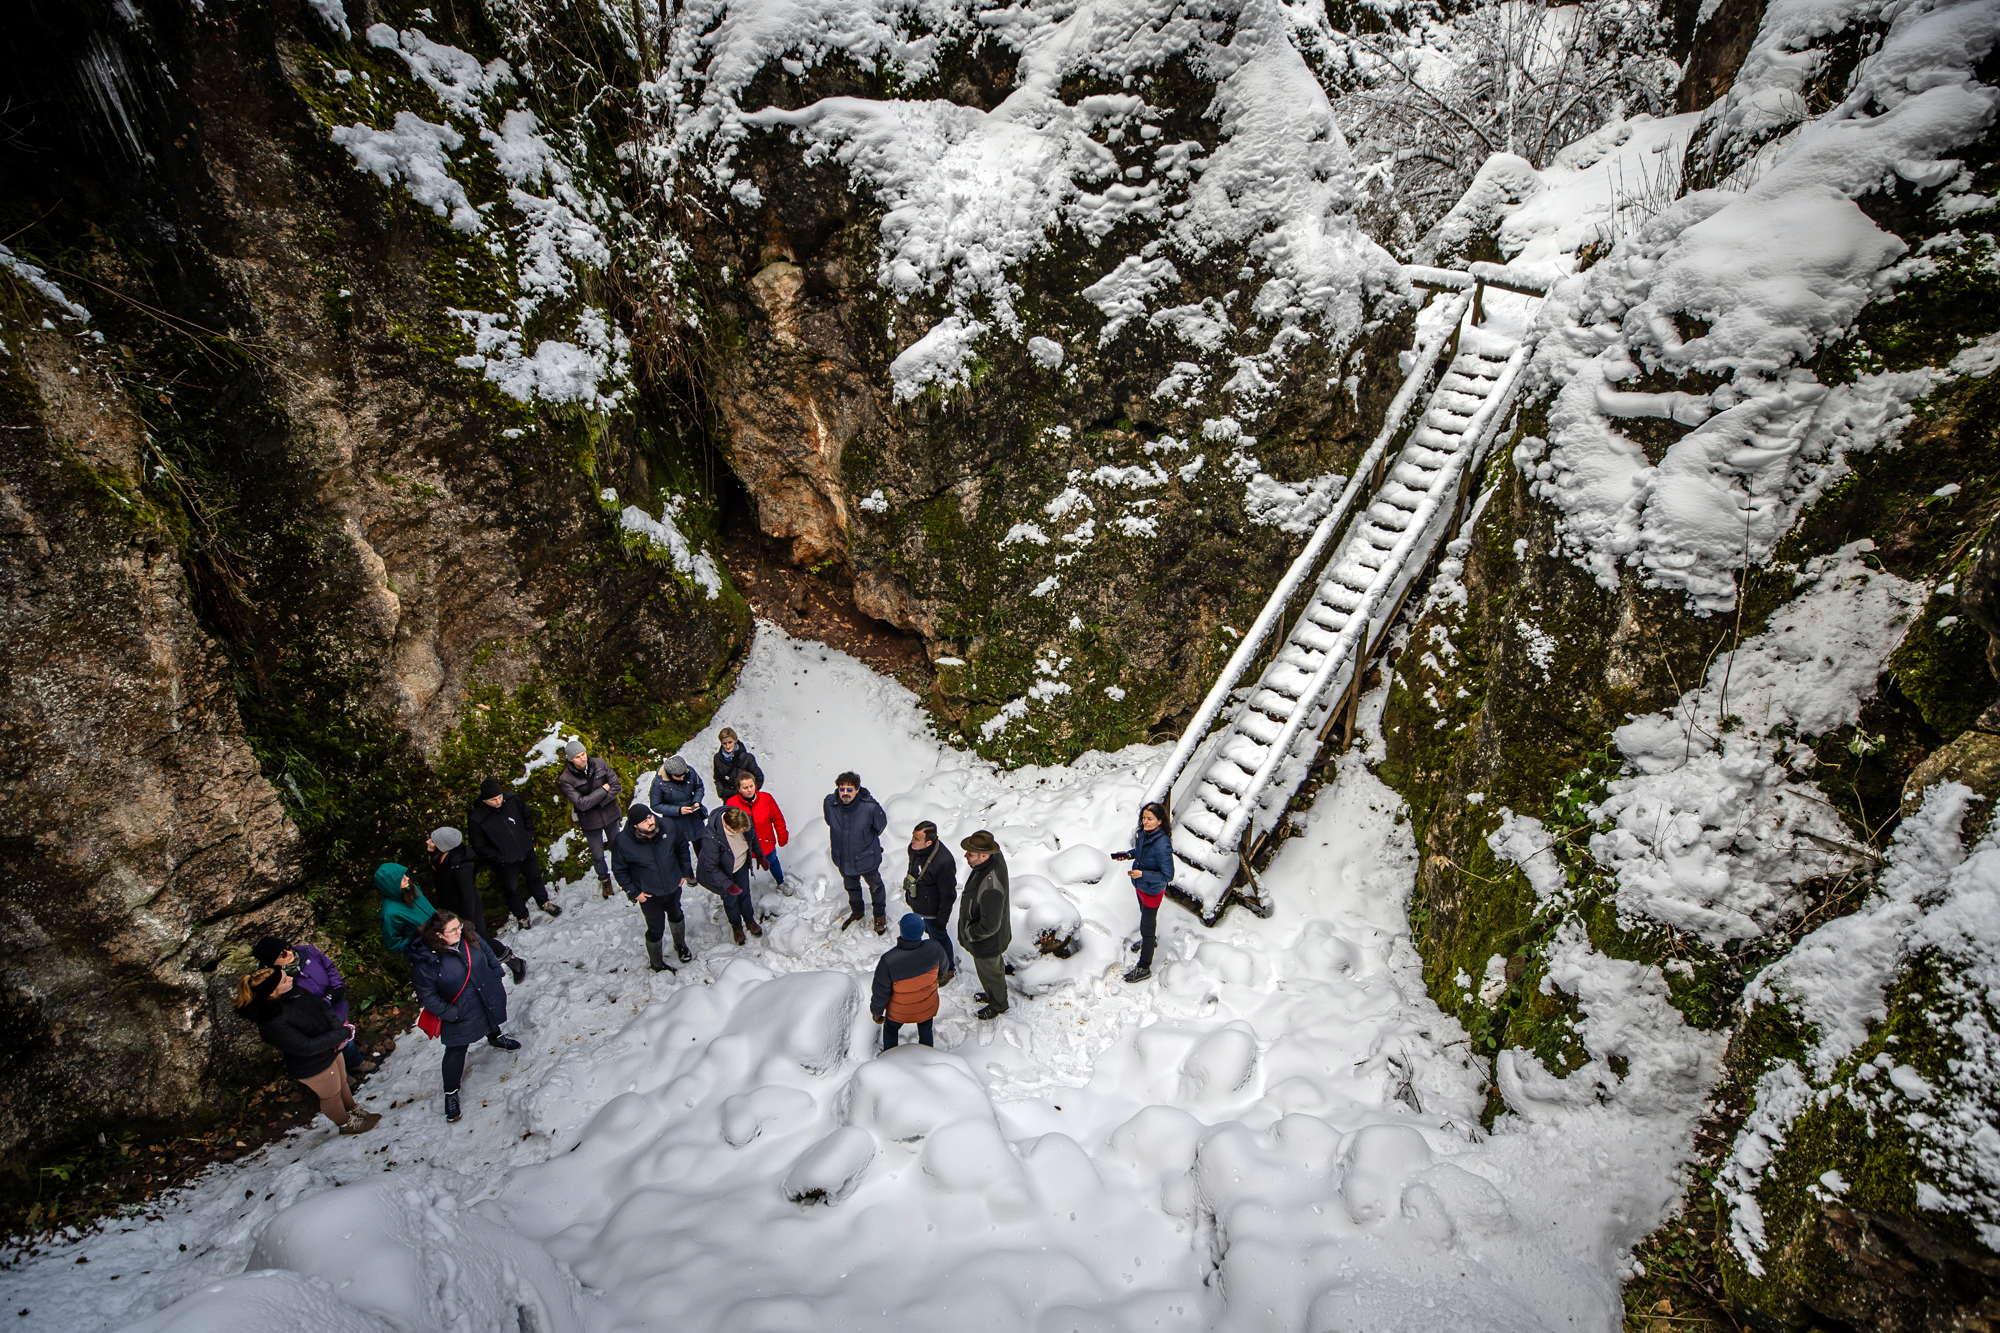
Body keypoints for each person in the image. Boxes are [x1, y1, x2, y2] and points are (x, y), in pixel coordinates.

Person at [234, 966, 377, 1135]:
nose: (291, 979)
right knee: (331, 1095)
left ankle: (353, 1109)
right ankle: (346, 1124)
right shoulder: (271, 1023)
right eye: (284, 980)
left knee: (342, 1081)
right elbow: (306, 1047)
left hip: (331, 1047)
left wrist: (338, 1030)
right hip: (313, 1065)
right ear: (272, 992)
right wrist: (341, 1035)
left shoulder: (294, 992)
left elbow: (322, 1006)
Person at [406, 911, 520, 1123]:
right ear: (439, 935)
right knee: (456, 1050)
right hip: (459, 1009)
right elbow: (427, 996)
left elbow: (486, 951)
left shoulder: (468, 936)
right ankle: (451, 1093)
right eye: (453, 929)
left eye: (459, 926)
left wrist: (497, 972)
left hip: (485, 991)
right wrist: (451, 1013)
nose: (460, 931)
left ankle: (495, 1037)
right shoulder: (426, 962)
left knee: (490, 1015)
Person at [252, 936, 366, 1075]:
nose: (289, 953)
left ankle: (357, 1063)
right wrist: (325, 1001)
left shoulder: (307, 951)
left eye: (287, 947)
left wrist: (336, 988)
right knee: (330, 1048)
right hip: (314, 1021)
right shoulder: (274, 980)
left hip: (336, 1008)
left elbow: (328, 967)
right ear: (271, 961)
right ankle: (343, 1076)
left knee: (346, 1039)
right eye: (282, 954)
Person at [426, 827, 526, 983]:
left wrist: (467, 920)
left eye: (432, 840)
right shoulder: (441, 859)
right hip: (453, 910)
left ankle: (514, 961)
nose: (428, 842)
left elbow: (468, 896)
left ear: (443, 846)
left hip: (467, 910)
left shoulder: (460, 866)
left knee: (480, 938)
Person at [469, 778, 560, 927]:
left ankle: (544, 902)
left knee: (535, 877)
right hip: (505, 862)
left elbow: (527, 816)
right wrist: (500, 857)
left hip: (526, 851)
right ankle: (522, 916)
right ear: (484, 800)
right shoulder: (478, 819)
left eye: (499, 797)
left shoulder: (512, 800)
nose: (498, 802)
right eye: (493, 800)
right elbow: (479, 846)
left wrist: (529, 835)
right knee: (512, 889)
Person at [613, 803, 686, 971]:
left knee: (677, 915)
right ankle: (657, 963)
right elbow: (619, 869)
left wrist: (684, 872)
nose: (650, 822)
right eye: (644, 821)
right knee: (655, 928)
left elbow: (682, 847)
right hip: (649, 895)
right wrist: (634, 892)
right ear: (635, 825)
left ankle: (680, 945)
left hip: (673, 886)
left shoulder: (668, 826)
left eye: (650, 817)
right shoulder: (623, 842)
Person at [1110, 801, 1175, 983]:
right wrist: (1129, 855)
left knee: (1146, 926)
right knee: (1145, 916)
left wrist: (1142, 873)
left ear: (1160, 821)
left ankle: (1144, 967)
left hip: (1152, 890)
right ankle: (1150, 940)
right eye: (1144, 818)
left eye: (1150, 819)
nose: (1145, 822)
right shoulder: (1144, 834)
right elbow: (1141, 852)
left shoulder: (1162, 844)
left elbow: (1168, 875)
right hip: (1140, 886)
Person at [557, 740, 623, 898]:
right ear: (570, 759)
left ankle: (623, 873)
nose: (582, 758)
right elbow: (580, 803)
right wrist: (602, 790)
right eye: (578, 756)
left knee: (618, 847)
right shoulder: (566, 778)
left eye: (583, 754)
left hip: (610, 814)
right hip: (590, 821)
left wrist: (596, 802)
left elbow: (616, 786)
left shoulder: (600, 763)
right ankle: (604, 879)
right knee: (598, 854)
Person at [824, 772, 889, 934]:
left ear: (857, 789)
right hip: (843, 857)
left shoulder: (870, 807)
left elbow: (880, 826)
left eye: (849, 789)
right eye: (842, 789)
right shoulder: (830, 803)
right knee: (851, 886)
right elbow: (829, 821)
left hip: (866, 858)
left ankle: (879, 915)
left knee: (875, 886)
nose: (845, 793)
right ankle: (857, 911)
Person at [957, 830, 1012, 1020]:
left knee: (991, 973)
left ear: (984, 855)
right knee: (994, 970)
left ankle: (998, 1004)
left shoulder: (991, 887)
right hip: (990, 939)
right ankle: (994, 994)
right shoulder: (994, 858)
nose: (966, 856)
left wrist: (970, 933)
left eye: (970, 853)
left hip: (986, 942)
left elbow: (989, 926)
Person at [871, 914, 948, 1049]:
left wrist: (876, 1012)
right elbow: (943, 971)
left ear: (902, 931)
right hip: (926, 1006)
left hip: (898, 1012)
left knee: (890, 1029)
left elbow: (880, 993)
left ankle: (889, 1056)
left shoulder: (888, 961)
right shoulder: (935, 949)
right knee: (925, 1027)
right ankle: (927, 1052)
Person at [695, 805, 762, 946]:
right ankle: (736, 925)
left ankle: (749, 918)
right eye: (739, 831)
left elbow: (752, 836)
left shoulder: (743, 819)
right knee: (731, 900)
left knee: (745, 893)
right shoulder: (711, 838)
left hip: (741, 865)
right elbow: (711, 867)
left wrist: (759, 855)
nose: (742, 832)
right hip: (724, 873)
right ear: (728, 826)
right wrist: (728, 885)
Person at [904, 822, 958, 984]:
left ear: (929, 843)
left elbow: (948, 894)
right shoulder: (913, 849)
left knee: (939, 936)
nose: (912, 841)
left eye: (916, 838)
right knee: (930, 932)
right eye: (913, 836)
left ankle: (948, 968)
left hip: (933, 911)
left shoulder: (943, 862)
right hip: (920, 905)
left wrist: (941, 920)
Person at [647, 755, 707, 885]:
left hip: (693, 817)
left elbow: (699, 787)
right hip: (675, 822)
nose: (682, 778)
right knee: (681, 849)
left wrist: (696, 801)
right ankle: (689, 874)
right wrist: (678, 810)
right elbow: (655, 805)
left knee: (701, 845)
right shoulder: (659, 783)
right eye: (678, 776)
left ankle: (706, 871)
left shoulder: (689, 772)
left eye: (683, 774)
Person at [726, 770, 790, 891]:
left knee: (773, 861)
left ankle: (780, 881)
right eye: (745, 787)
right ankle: (742, 891)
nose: (750, 790)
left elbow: (778, 819)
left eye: (751, 786)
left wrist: (782, 836)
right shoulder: (732, 803)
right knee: (741, 869)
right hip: (744, 846)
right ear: (739, 789)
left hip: (765, 842)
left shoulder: (766, 799)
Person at [374, 862, 435, 954]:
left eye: (405, 874)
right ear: (391, 883)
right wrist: (419, 937)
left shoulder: (410, 889)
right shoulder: (390, 913)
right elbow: (394, 946)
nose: (407, 878)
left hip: (444, 936)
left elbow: (430, 911)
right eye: (401, 878)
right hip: (427, 951)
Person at [712, 727, 766, 796]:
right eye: (724, 743)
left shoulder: (747, 757)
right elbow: (718, 778)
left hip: (745, 798)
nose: (728, 746)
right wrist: (721, 792)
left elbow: (758, 777)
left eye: (730, 742)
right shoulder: (717, 758)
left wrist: (750, 793)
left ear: (735, 740)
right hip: (729, 797)